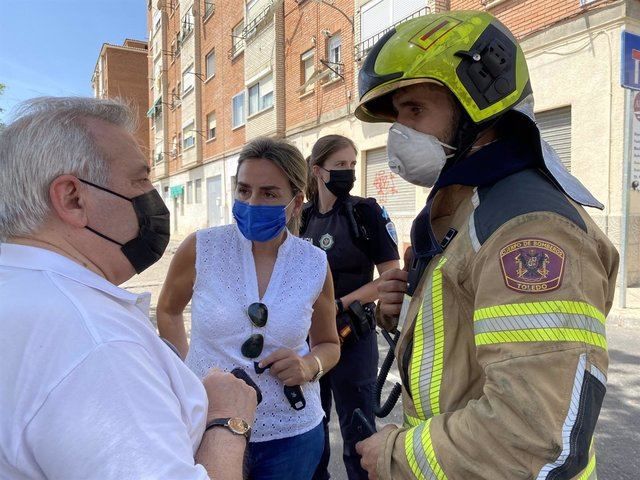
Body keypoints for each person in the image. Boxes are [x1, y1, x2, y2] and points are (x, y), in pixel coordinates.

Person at [353, 11, 618, 480]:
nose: (399, 132)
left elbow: (533, 438)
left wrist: (395, 455)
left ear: (478, 100)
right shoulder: (470, 208)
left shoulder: (530, 232)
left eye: (414, 110)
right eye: (396, 115)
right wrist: (406, 307)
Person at [0, 97, 257, 479]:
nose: (153, 197)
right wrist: (226, 419)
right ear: (73, 198)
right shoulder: (96, 342)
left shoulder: (20, 288)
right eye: (140, 180)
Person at [157, 137, 341, 480]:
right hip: (207, 424)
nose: (252, 202)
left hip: (291, 436)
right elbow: (167, 310)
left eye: (269, 194)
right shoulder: (202, 248)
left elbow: (329, 344)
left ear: (296, 202)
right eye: (244, 190)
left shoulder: (314, 263)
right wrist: (189, 375)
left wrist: (308, 365)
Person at [300, 135, 400, 480]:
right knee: (313, 426)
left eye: (353, 165)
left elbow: (391, 278)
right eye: (340, 165)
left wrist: (337, 303)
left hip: (352, 336)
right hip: (309, 340)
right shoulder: (303, 217)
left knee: (359, 432)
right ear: (318, 170)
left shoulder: (365, 212)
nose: (349, 172)